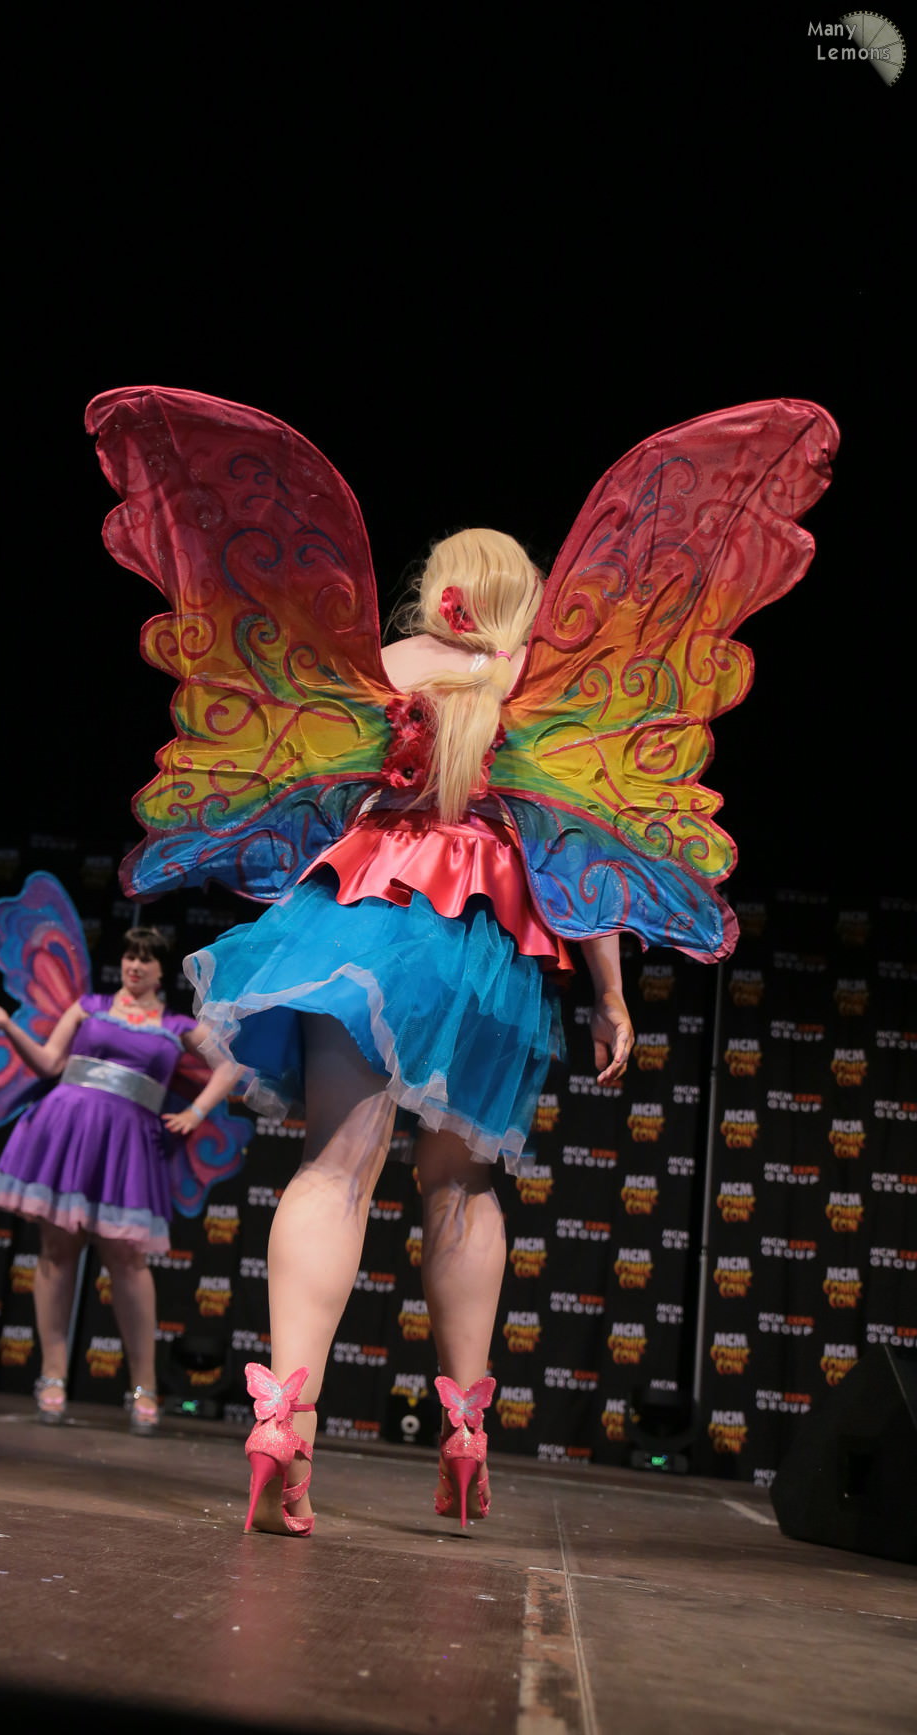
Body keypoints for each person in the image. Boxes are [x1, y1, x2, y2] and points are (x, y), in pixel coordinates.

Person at [185, 529, 634, 1533]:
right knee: (461, 1185)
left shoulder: (383, 667)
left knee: (334, 1168)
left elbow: (297, 787)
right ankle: (466, 1432)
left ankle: (285, 1423)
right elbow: (583, 860)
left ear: (438, 591)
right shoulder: (544, 686)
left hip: (363, 917)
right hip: (486, 947)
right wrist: (610, 995)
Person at [0, 925, 241, 1431]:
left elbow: (230, 1066)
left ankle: (144, 1387)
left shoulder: (176, 1025)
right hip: (65, 1132)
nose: (134, 965)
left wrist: (196, 1112)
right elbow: (48, 1062)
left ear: (161, 970)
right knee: (56, 1251)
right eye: (130, 956)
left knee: (128, 1260)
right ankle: (51, 1377)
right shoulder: (87, 1007)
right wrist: (6, 1026)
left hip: (127, 1145)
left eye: (145, 959)